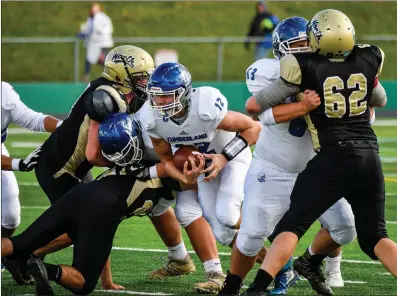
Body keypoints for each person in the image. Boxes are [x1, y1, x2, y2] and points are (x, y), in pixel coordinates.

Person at [236, 9, 397, 296]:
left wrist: (302, 102)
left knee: (294, 225)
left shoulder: (303, 68)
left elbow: (254, 107)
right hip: (368, 156)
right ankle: (307, 263)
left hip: (330, 159)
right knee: (375, 236)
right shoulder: (367, 58)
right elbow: (380, 100)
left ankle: (258, 288)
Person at [219, 16, 362, 296]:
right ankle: (232, 285)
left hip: (317, 170)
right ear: (281, 50)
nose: (303, 50)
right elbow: (263, 114)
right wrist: (306, 103)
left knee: (346, 227)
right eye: (297, 45)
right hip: (273, 169)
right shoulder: (267, 71)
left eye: (307, 44)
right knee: (250, 237)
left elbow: (366, 106)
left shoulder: (335, 70)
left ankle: (308, 261)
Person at [1, 112, 181, 296]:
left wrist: (107, 280)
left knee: (18, 243)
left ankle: (26, 258)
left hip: (78, 193)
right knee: (84, 284)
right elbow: (179, 174)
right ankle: (47, 269)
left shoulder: (127, 162)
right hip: (103, 208)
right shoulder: (164, 176)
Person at [141, 63, 261, 256]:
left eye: (165, 96)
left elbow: (254, 128)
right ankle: (278, 266)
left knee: (228, 216)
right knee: (222, 233)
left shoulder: (205, 107)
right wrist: (184, 178)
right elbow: (167, 160)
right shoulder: (151, 119)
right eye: (155, 96)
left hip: (231, 159)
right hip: (204, 169)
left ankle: (274, 226)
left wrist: (224, 157)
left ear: (183, 93)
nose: (159, 102)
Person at [77, 2, 114, 81]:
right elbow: (88, 29)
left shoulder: (103, 18)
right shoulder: (91, 18)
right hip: (94, 43)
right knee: (90, 59)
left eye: (95, 8)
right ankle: (86, 76)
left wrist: (98, 33)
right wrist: (83, 33)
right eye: (92, 9)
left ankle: (110, 75)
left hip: (102, 43)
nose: (93, 10)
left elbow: (106, 30)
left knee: (103, 60)